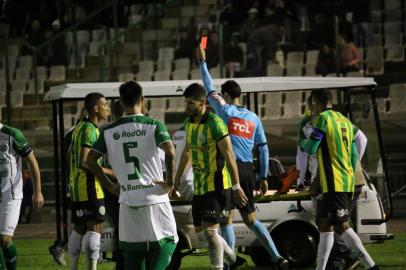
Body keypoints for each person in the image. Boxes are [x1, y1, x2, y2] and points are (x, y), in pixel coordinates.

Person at [197, 45, 289, 270]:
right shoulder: (253, 117)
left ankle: (230, 265)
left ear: (226, 95)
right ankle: (277, 256)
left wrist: (202, 63)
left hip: (230, 169)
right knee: (250, 218)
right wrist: (264, 175)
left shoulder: (224, 110)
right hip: (249, 170)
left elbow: (208, 86)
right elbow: (263, 148)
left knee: (227, 218)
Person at [87, 81, 178, 270]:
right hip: (155, 197)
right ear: (143, 100)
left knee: (133, 254)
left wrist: (108, 185)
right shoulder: (154, 125)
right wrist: (170, 182)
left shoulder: (109, 131)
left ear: (121, 102)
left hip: (127, 199)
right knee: (169, 240)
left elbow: (90, 160)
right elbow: (170, 152)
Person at [299, 89, 379, 270]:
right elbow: (354, 154)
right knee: (325, 226)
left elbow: (311, 148)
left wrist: (302, 142)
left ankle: (371, 266)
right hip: (343, 181)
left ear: (315, 102)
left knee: (342, 226)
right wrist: (351, 180)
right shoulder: (345, 121)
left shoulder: (322, 119)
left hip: (333, 182)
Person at [171, 83, 248, 270]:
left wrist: (237, 187)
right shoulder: (189, 123)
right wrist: (176, 180)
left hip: (218, 184)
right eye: (186, 103)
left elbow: (230, 156)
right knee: (201, 233)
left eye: (191, 103)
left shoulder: (215, 123)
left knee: (211, 232)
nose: (187, 107)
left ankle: (219, 267)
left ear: (203, 102)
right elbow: (187, 153)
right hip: (200, 185)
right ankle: (233, 259)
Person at [67, 92, 113, 270]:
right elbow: (84, 160)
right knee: (95, 227)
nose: (107, 108)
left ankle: (72, 268)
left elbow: (69, 156)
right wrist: (110, 173)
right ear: (96, 108)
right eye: (105, 105)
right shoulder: (90, 129)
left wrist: (73, 175)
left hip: (78, 188)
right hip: (90, 187)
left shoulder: (79, 126)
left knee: (79, 228)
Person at [0, 122, 45, 270]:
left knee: (5, 240)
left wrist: (37, 192)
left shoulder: (12, 134)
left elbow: (31, 161)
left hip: (10, 195)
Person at [296, 96, 318, 190]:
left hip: (324, 181)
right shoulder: (306, 121)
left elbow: (361, 138)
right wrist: (300, 182)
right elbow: (302, 152)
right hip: (342, 181)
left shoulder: (329, 119)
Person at [172, 126, 194, 202]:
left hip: (179, 183)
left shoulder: (176, 133)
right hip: (191, 182)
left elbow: (173, 157)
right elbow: (187, 155)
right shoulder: (195, 132)